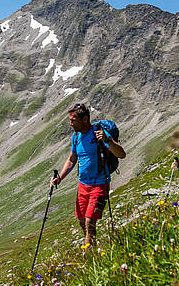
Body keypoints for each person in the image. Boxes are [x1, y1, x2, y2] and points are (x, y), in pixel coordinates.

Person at [50, 103, 126, 246]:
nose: (70, 124)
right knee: (81, 220)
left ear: (85, 119)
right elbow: (72, 159)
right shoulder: (76, 137)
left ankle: (89, 255)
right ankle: (93, 247)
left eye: (73, 120)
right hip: (83, 185)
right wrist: (60, 177)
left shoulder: (99, 133)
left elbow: (121, 154)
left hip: (100, 185)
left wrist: (107, 140)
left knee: (89, 221)